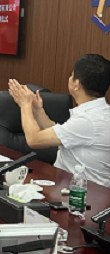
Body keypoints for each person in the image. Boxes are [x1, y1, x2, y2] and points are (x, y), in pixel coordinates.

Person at [8, 54, 110, 187]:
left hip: (81, 193)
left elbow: (34, 140)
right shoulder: (98, 113)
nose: (70, 79)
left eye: (72, 75)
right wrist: (37, 110)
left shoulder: (88, 121)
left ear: (77, 84)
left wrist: (24, 105)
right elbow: (60, 134)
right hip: (70, 185)